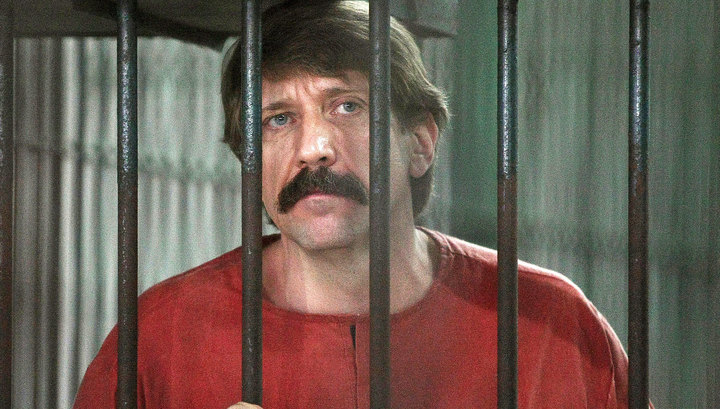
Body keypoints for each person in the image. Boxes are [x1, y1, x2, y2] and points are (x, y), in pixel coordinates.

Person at [74, 1, 638, 408]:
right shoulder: (162, 337)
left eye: (347, 106)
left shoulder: (549, 325)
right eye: (278, 119)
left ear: (420, 143)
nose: (314, 147)